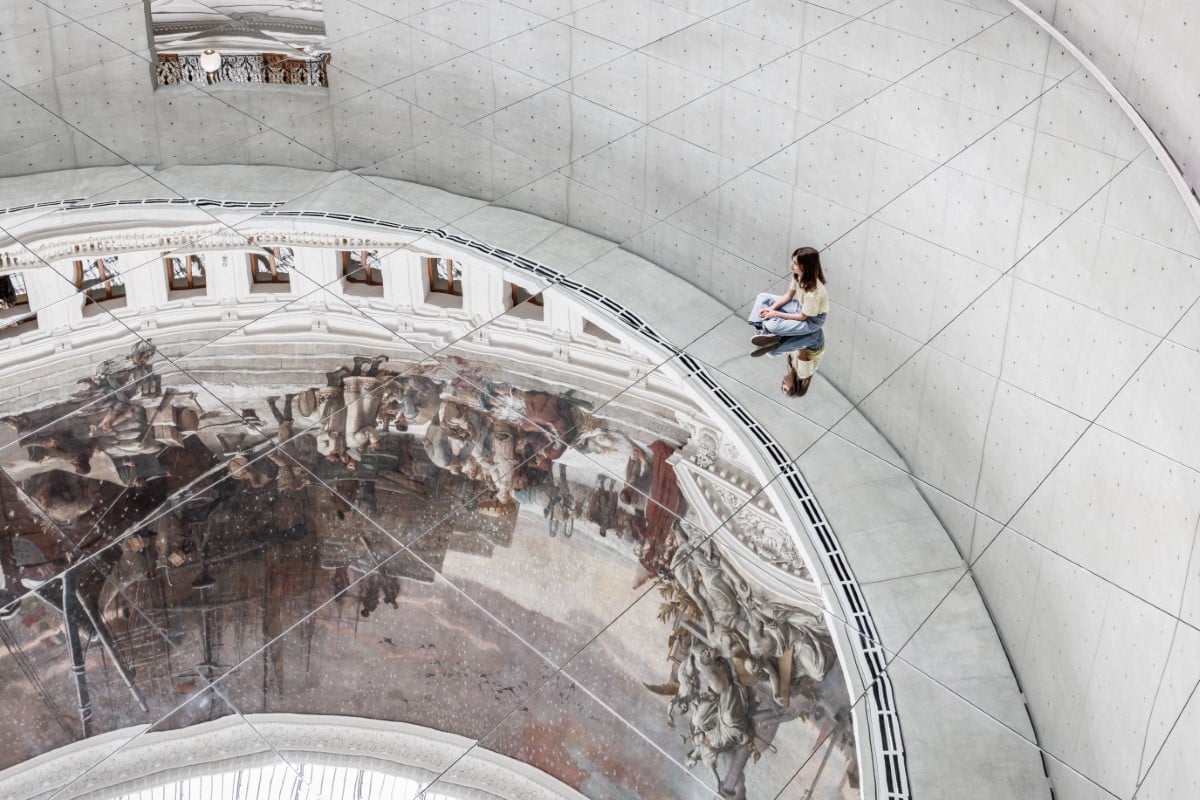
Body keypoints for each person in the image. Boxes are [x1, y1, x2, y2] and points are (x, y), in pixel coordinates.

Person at [747, 247, 829, 356]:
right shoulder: (798, 275)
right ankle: (761, 327)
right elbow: (788, 295)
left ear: (805, 266)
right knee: (763, 297)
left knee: (773, 327)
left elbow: (803, 317)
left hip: (812, 320)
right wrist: (770, 309)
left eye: (795, 263)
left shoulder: (812, 293)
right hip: (801, 307)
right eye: (792, 261)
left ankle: (769, 331)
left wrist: (775, 313)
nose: (791, 265)